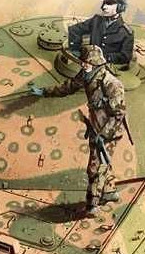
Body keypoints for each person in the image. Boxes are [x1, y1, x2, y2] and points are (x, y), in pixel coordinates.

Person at [29, 45, 127, 214]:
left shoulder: (112, 84)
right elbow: (69, 86)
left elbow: (118, 113)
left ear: (95, 63)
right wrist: (44, 92)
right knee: (102, 162)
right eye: (82, 62)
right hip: (96, 125)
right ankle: (110, 192)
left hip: (110, 129)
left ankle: (93, 204)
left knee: (96, 167)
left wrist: (104, 135)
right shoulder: (87, 75)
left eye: (86, 62)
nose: (83, 65)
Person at [67, 0, 134, 69]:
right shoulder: (96, 20)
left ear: (120, 7)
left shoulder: (126, 32)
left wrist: (105, 58)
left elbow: (126, 56)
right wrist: (78, 52)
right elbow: (74, 29)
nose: (104, 7)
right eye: (104, 3)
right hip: (88, 65)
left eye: (109, 3)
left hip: (109, 68)